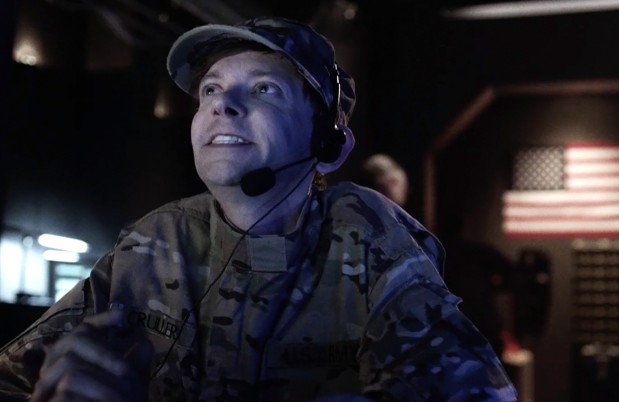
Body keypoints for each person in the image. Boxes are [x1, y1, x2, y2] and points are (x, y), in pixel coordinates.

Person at [0, 16, 517, 402]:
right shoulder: (154, 240)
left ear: (329, 143)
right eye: (211, 89)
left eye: (264, 89)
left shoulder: (367, 236)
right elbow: (12, 379)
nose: (221, 104)